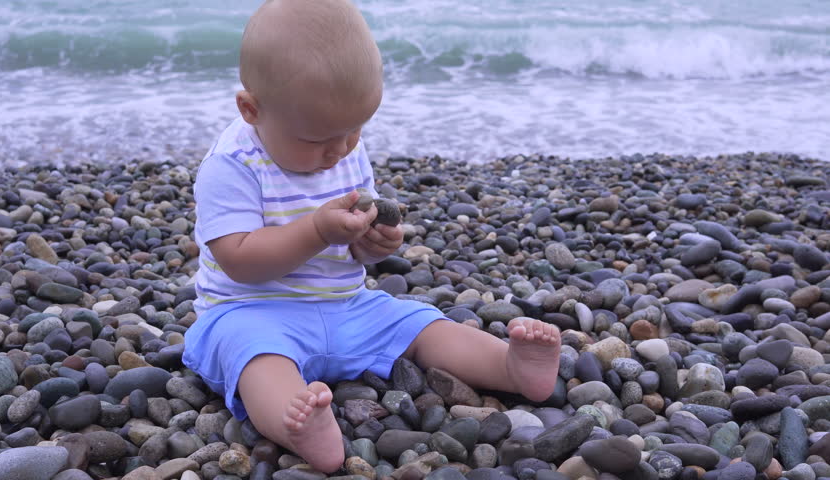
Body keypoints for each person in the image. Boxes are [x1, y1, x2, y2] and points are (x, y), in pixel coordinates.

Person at [182, 0, 561, 472]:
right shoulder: (231, 166)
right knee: (255, 358)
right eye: (318, 141)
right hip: (252, 312)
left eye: (354, 131)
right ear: (251, 109)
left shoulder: (340, 146)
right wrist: (318, 229)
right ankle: (297, 424)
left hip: (346, 305)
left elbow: (352, 243)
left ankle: (510, 365)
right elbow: (239, 260)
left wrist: (369, 245)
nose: (339, 151)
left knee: (421, 325)